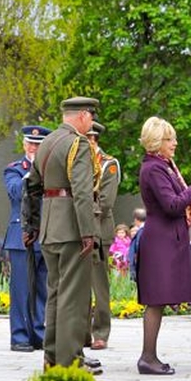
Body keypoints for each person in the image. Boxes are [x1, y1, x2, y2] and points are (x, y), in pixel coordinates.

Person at [23, 97, 100, 372]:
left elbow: (30, 187)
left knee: (55, 295)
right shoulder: (77, 144)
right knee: (73, 298)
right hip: (71, 229)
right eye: (91, 116)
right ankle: (69, 361)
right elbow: (81, 192)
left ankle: (51, 357)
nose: (91, 121)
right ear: (81, 116)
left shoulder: (45, 144)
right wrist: (88, 232)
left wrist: (30, 226)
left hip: (48, 227)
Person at [136, 116, 191, 375]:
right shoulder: (155, 168)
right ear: (157, 141)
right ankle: (147, 358)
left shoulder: (163, 166)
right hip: (160, 241)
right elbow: (173, 205)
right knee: (155, 300)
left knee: (158, 300)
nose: (175, 143)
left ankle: (150, 356)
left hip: (165, 238)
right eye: (169, 139)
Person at [3, 125, 50, 353]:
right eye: (31, 144)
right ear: (24, 145)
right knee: (22, 289)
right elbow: (15, 192)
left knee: (42, 289)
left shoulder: (51, 170)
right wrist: (34, 172)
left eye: (39, 145)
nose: (34, 148)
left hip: (46, 234)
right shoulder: (15, 169)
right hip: (21, 235)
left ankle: (38, 334)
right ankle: (19, 336)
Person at [87, 121, 121, 350]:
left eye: (87, 139)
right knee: (77, 287)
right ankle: (80, 332)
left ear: (94, 139)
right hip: (78, 229)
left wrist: (81, 210)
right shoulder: (77, 163)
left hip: (99, 228)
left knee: (99, 286)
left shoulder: (108, 164)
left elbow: (106, 202)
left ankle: (100, 333)